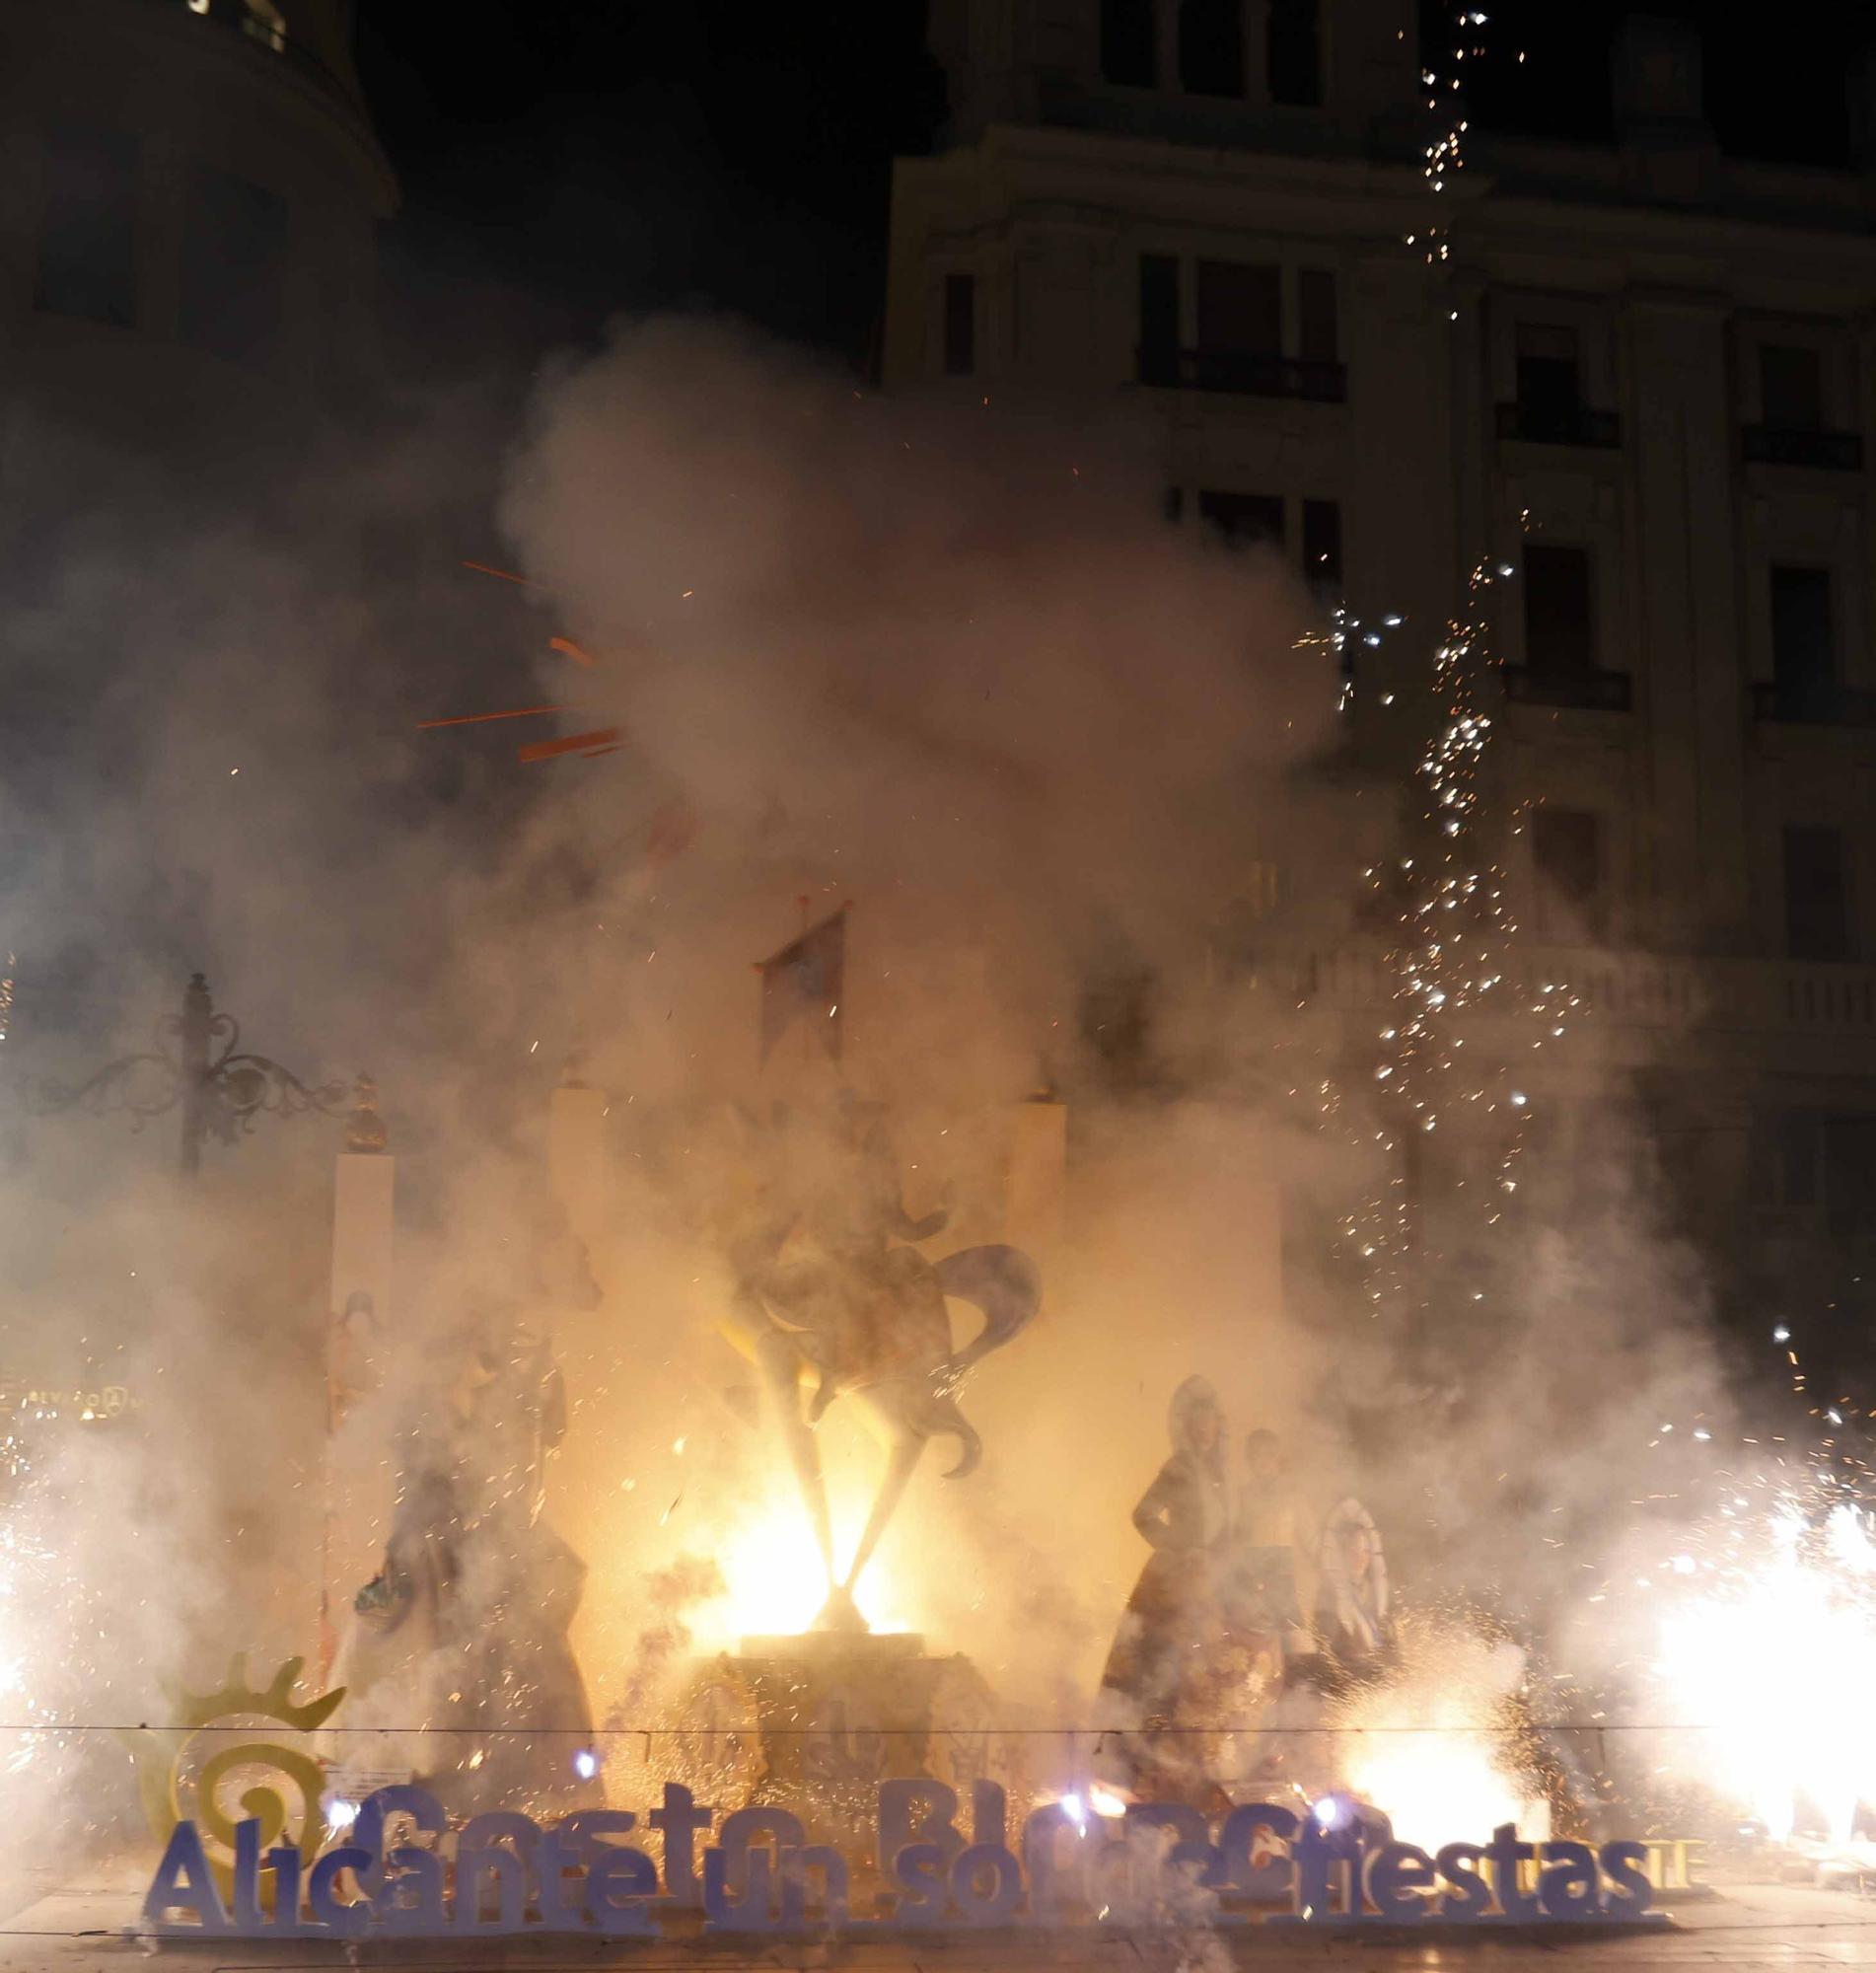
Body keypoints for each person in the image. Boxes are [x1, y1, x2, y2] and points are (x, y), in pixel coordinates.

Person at [1096, 1376, 1231, 1799]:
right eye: (1198, 1419)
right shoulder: (1177, 1468)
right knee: (1159, 1672)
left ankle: (1192, 1770)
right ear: (1187, 1425)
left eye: (1211, 1419)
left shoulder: (1217, 1472)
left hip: (1208, 1582)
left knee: (1204, 1675)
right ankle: (1145, 1772)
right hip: (1172, 1584)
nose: (1205, 1426)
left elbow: (1222, 1528)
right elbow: (1143, 1515)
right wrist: (1181, 1549)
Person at [1228, 1428, 1312, 1678]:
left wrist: (1326, 1566)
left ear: (1277, 1457)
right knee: (1255, 1643)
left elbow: (1311, 1537)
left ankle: (1302, 1690)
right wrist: (1243, 1572)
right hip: (1252, 1575)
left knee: (1294, 1639)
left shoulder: (1293, 1495)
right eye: (1254, 1456)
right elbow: (1236, 1539)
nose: (1261, 1461)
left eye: (1267, 1455)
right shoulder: (1243, 1496)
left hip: (1283, 1575)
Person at [1314, 1496, 1393, 1674]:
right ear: (1341, 1554)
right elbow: (1329, 1651)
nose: (1360, 1557)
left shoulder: (1376, 1594)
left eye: (1365, 1551)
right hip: (1347, 1681)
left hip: (1381, 1683)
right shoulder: (1328, 1595)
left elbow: (1390, 1645)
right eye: (1353, 1550)